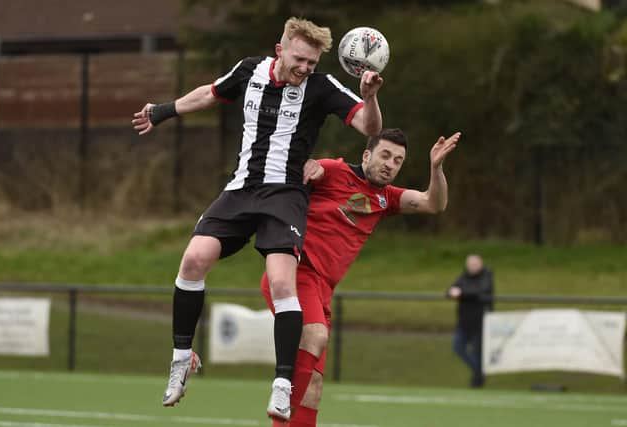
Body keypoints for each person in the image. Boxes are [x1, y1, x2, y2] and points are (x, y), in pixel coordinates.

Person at [131, 17, 383, 420]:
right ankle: (182, 358)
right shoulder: (250, 70)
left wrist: (368, 95)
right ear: (280, 49)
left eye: (312, 63)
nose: (305, 69)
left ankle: (282, 385)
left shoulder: (322, 87)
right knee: (193, 260)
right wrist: (162, 111)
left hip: (285, 196)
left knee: (283, 281)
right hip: (241, 189)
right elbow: (210, 94)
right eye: (300, 59)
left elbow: (369, 126)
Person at [261, 128, 461, 426]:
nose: (390, 164)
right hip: (296, 274)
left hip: (323, 291)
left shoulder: (386, 199)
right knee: (315, 336)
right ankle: (281, 400)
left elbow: (434, 203)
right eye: (384, 155)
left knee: (314, 389)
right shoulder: (333, 171)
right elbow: (292, 175)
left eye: (397, 160)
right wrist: (306, 166)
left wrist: (436, 167)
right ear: (367, 155)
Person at [446, 254, 494, 388]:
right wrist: (455, 292)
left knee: (476, 352)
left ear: (481, 264)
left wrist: (461, 293)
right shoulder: (464, 276)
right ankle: (479, 372)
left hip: (480, 322)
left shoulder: (486, 275)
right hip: (464, 322)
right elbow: (449, 292)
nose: (472, 267)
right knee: (458, 347)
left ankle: (477, 381)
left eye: (475, 264)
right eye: (470, 264)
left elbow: (479, 291)